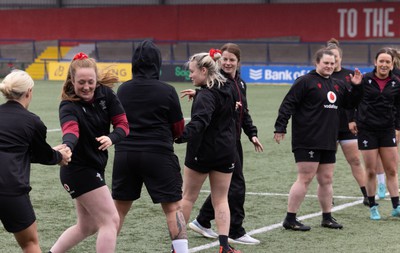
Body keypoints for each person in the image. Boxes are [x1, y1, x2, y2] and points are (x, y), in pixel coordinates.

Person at [181, 43, 263, 245]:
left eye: (231, 60)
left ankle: (187, 235)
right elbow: (215, 102)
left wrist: (251, 133)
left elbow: (240, 111)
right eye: (224, 59)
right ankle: (227, 237)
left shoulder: (235, 85)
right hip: (223, 145)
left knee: (199, 195)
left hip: (218, 145)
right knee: (224, 195)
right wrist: (199, 94)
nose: (227, 62)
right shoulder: (223, 86)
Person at [111, 40, 188, 253]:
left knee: (118, 210)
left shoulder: (123, 89)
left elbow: (117, 122)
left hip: (125, 154)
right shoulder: (167, 90)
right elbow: (178, 127)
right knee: (172, 208)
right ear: (158, 63)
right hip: (158, 154)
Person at [274, 48, 362, 231]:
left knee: (327, 179)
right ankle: (290, 218)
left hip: (329, 138)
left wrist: (356, 86)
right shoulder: (305, 82)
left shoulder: (337, 84)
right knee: (305, 178)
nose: (329, 66)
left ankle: (327, 217)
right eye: (326, 63)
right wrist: (280, 127)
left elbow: (350, 104)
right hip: (308, 138)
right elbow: (288, 103)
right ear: (317, 63)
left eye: (332, 63)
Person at [49, 52, 129, 253]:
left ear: (96, 80)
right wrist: (67, 146)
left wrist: (112, 138)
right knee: (111, 220)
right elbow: (71, 131)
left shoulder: (106, 94)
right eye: (81, 82)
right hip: (78, 169)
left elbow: (123, 125)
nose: (86, 87)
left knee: (87, 226)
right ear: (72, 81)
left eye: (90, 82)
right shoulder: (68, 105)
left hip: (94, 166)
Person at [175, 50, 240, 253]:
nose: (190, 76)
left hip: (202, 152)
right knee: (221, 199)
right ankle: (224, 246)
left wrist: (178, 136)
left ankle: (178, 245)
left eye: (193, 71)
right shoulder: (227, 87)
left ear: (204, 70)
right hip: (226, 151)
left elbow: (200, 122)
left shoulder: (205, 96)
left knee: (187, 197)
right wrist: (199, 93)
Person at [0, 70, 70, 253]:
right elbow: (42, 155)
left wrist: (53, 153)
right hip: (10, 189)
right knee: (30, 244)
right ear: (29, 92)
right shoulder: (33, 122)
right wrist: (59, 156)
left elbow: (17, 151)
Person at [351, 48, 400, 220]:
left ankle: (396, 206)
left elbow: (399, 108)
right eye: (382, 61)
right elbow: (352, 101)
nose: (384, 64)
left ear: (392, 64)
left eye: (388, 62)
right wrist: (355, 87)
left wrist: (398, 129)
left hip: (387, 130)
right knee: (371, 171)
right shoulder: (364, 80)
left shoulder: (396, 82)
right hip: (367, 130)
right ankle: (373, 206)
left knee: (392, 170)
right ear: (375, 62)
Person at [326, 38, 369, 206]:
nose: (333, 60)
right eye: (330, 57)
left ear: (340, 57)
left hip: (347, 126)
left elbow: (359, 100)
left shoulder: (350, 75)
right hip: (328, 127)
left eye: (336, 56)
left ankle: (367, 195)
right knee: (327, 165)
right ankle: (328, 196)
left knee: (356, 161)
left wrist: (354, 119)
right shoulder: (321, 76)